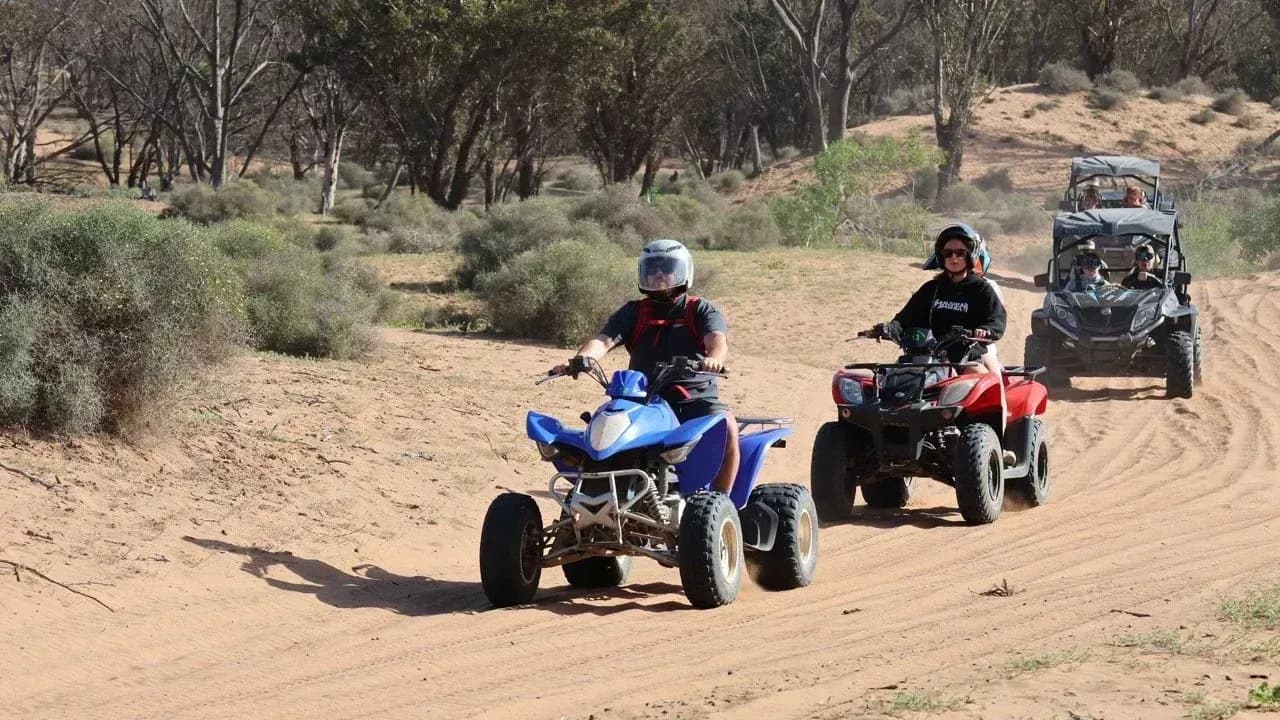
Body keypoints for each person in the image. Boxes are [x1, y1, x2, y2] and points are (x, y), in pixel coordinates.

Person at [550, 239, 740, 494]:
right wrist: (580, 359)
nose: (658, 274)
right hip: (643, 400)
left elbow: (717, 341)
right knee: (602, 431)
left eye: (666, 268)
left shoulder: (700, 310)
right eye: (652, 268)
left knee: (726, 427)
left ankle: (720, 501)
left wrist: (714, 358)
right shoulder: (634, 312)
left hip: (693, 400)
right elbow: (603, 340)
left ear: (683, 271)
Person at [872, 225, 1006, 375]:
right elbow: (906, 319)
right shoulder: (931, 288)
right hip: (925, 357)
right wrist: (889, 328)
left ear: (970, 255)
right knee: (888, 379)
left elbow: (996, 320)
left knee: (986, 377)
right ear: (941, 257)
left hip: (966, 358)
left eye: (960, 253)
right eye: (947, 253)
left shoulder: (982, 289)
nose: (953, 258)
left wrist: (986, 330)